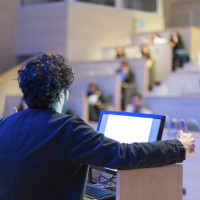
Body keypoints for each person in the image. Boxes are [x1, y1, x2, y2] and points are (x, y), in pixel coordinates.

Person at [0, 53, 195, 200]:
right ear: (61, 95)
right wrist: (179, 145)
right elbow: (124, 155)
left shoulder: (6, 124)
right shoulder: (68, 129)